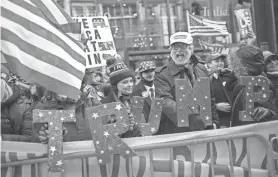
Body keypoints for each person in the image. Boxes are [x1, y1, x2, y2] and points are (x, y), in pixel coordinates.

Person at [154, 32, 219, 134]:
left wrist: (215, 122)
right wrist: (190, 116)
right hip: (177, 131)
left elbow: (210, 97)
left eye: (183, 47)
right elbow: (164, 100)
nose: (179, 51)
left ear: (191, 49)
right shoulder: (162, 74)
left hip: (205, 128)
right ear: (170, 51)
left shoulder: (201, 69)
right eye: (175, 48)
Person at [228, 45, 278, 126]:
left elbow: (273, 111)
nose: (234, 67)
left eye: (236, 63)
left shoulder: (261, 82)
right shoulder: (241, 82)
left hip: (256, 132)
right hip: (244, 132)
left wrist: (268, 112)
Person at [101, 56, 142, 138]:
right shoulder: (105, 104)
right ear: (116, 85)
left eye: (131, 81)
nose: (130, 85)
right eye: (125, 82)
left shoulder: (136, 98)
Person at [206, 53, 235, 128]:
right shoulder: (206, 79)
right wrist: (216, 106)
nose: (220, 63)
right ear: (209, 64)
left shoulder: (229, 76)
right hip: (216, 120)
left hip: (231, 118)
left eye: (221, 60)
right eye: (216, 61)